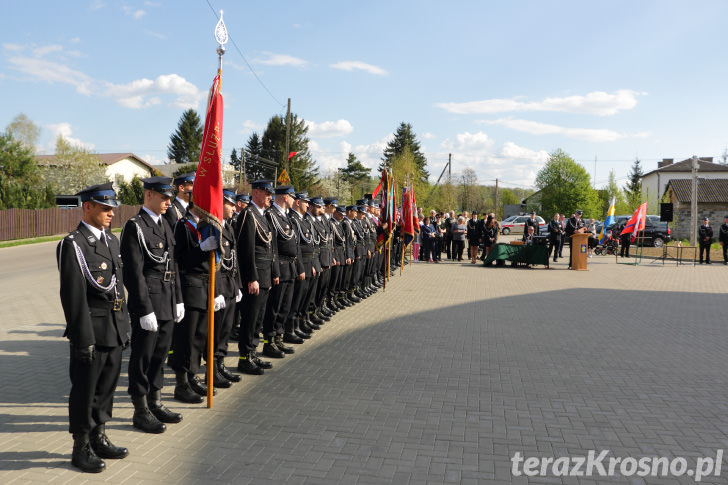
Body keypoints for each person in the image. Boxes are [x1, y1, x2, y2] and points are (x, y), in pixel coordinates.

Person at [57, 182, 131, 473]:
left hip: (113, 327)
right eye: (104, 208)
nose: (111, 213)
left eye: (112, 208)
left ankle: (99, 436)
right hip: (92, 331)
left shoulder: (111, 241)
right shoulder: (73, 244)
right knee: (85, 390)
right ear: (87, 207)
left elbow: (118, 289)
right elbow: (73, 297)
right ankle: (81, 445)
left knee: (107, 388)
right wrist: (82, 339)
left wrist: (124, 328)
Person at [120, 176, 184, 434]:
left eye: (170, 197)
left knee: (160, 355)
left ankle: (156, 402)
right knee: (143, 357)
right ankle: (140, 409)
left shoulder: (166, 224)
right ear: (149, 195)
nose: (169, 201)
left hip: (167, 298)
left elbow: (173, 265)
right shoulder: (135, 226)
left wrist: (178, 298)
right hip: (149, 300)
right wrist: (144, 308)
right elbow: (133, 274)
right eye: (164, 197)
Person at [235, 180, 278, 374]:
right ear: (257, 193)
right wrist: (251, 277)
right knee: (250, 318)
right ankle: (244, 358)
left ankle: (252, 353)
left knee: (258, 318)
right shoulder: (248, 214)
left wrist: (270, 274)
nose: (270, 197)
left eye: (271, 193)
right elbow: (246, 250)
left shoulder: (263, 215)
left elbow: (268, 248)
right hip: (255, 277)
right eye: (267, 193)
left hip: (265, 275)